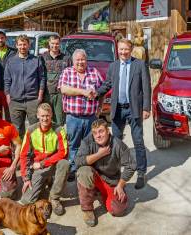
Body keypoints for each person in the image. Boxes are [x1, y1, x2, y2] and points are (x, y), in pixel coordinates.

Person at [95, 38, 151, 189]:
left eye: (126, 49)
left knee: (138, 141)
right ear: (117, 50)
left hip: (134, 109)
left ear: (131, 50)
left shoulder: (139, 65)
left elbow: (146, 87)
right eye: (121, 49)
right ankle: (116, 172)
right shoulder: (113, 66)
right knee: (116, 142)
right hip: (118, 109)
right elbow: (107, 84)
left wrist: (146, 108)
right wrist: (95, 93)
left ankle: (141, 172)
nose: (123, 52)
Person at [75, 119, 136, 226]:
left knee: (118, 210)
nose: (98, 135)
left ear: (108, 131)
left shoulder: (118, 144)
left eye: (101, 131)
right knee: (83, 171)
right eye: (95, 133)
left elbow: (130, 165)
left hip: (111, 181)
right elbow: (78, 161)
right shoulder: (87, 141)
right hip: (95, 177)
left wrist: (121, 185)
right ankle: (87, 209)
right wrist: (99, 154)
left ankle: (103, 194)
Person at [58, 48, 103, 181]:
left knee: (90, 145)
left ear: (86, 60)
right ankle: (73, 168)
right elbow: (64, 89)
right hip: (73, 118)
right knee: (73, 144)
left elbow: (102, 90)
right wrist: (83, 92)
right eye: (78, 60)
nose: (80, 62)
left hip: (90, 117)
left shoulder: (94, 72)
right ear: (73, 61)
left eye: (83, 59)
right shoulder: (67, 72)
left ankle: (87, 169)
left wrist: (100, 105)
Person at [20, 103, 70, 216]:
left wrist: (43, 163)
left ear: (51, 115)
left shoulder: (58, 129)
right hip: (38, 168)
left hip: (52, 164)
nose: (45, 118)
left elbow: (63, 152)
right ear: (37, 115)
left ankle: (54, 198)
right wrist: (26, 178)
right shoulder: (31, 130)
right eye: (42, 115)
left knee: (65, 164)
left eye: (47, 115)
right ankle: (45, 182)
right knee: (26, 201)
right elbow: (24, 155)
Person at [4, 34, 45, 139]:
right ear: (16, 46)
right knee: (17, 130)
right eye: (20, 44)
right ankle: (19, 153)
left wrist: (39, 96)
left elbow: (42, 79)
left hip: (32, 100)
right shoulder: (11, 61)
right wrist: (8, 97)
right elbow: (7, 80)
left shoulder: (36, 60)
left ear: (29, 45)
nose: (23, 47)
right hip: (15, 101)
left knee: (35, 128)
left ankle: (34, 153)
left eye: (25, 44)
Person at [42, 35, 71, 126]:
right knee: (46, 119)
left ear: (60, 44)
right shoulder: (42, 58)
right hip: (46, 94)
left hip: (60, 95)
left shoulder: (66, 58)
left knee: (60, 120)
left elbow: (71, 76)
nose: (55, 46)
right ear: (49, 44)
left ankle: (59, 139)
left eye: (57, 44)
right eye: (52, 43)